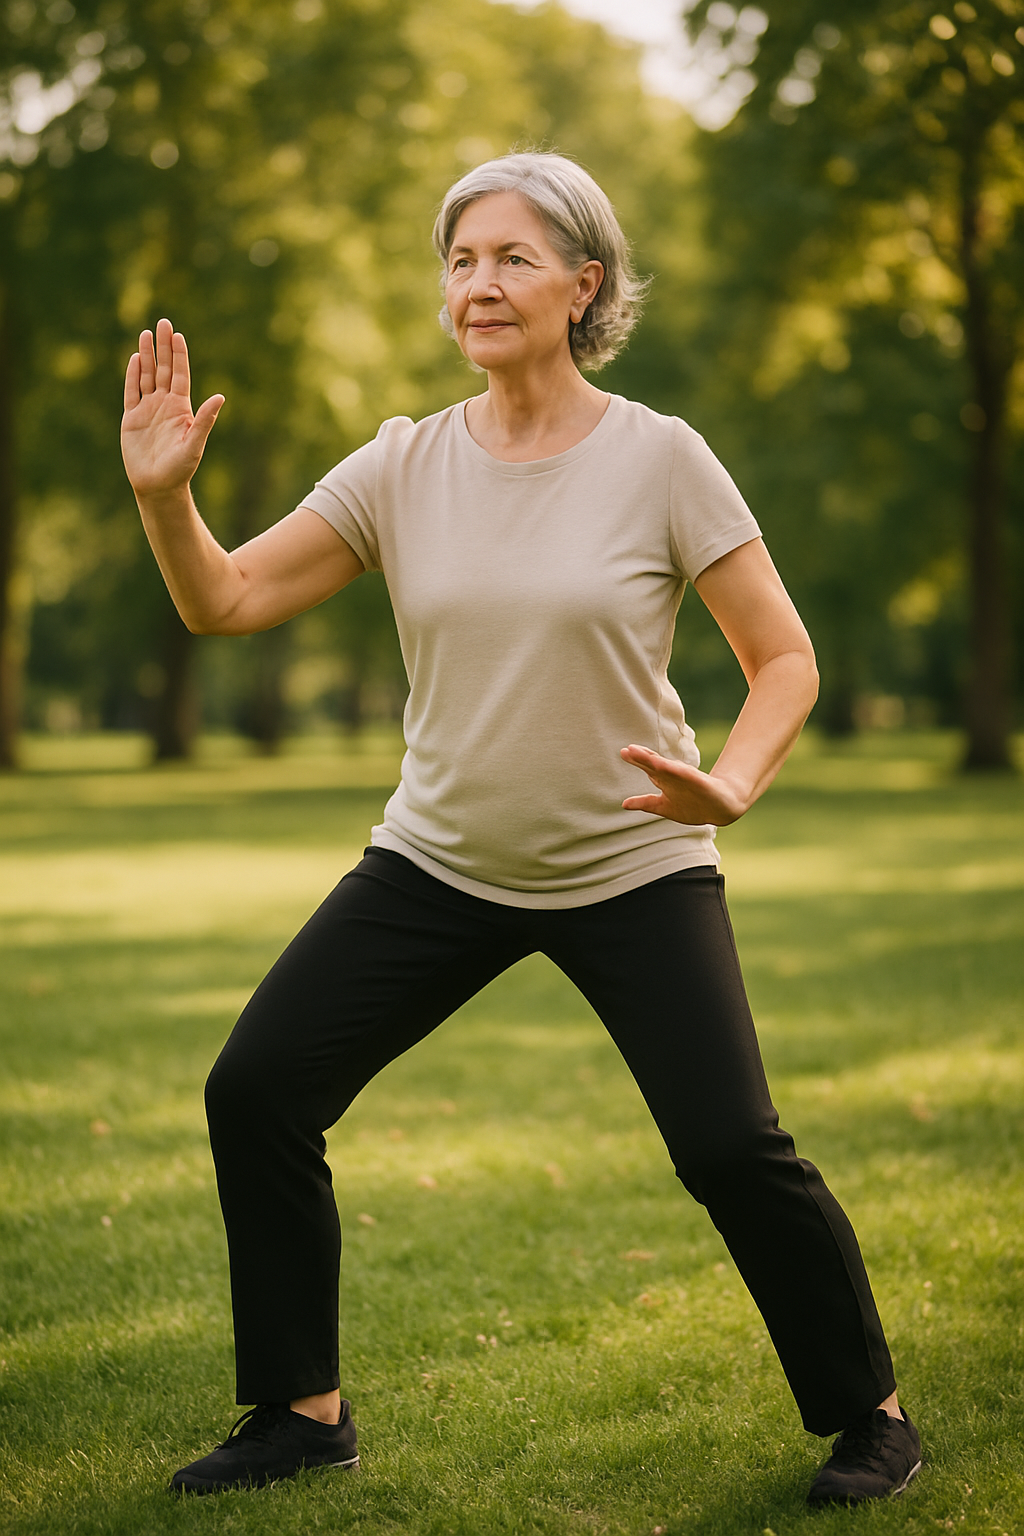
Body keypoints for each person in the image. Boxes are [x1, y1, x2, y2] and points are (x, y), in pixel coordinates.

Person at [120, 151, 921, 1507]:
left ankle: (873, 1417)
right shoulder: (404, 463)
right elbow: (227, 601)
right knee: (256, 1090)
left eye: (510, 258)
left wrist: (731, 783)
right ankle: (302, 1414)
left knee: (731, 1147)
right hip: (439, 861)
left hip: (632, 861)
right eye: (459, 260)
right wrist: (164, 499)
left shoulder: (661, 458)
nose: (477, 284)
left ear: (582, 285)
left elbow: (783, 661)